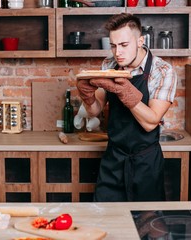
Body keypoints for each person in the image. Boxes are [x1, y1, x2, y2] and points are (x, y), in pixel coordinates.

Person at [76, 13, 177, 202]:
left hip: (145, 163)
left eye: (124, 45)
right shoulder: (109, 65)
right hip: (113, 159)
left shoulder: (162, 71)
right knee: (106, 221)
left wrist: (125, 93)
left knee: (146, 224)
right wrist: (87, 97)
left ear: (140, 41)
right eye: (113, 45)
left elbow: (151, 122)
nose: (117, 52)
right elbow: (94, 111)